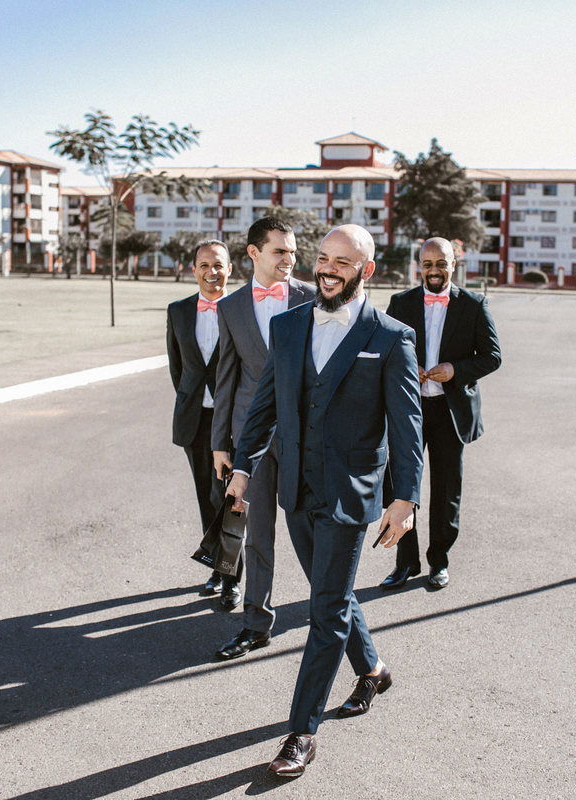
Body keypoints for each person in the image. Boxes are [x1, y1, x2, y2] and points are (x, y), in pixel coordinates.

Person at [226, 224, 423, 778]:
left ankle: (301, 731)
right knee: (330, 594)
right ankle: (375, 670)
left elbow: (408, 427)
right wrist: (243, 468)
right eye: (324, 257)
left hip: (350, 494)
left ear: (368, 270)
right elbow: (264, 408)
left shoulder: (390, 337)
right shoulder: (287, 328)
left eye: (344, 261)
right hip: (296, 490)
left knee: (325, 611)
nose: (329, 268)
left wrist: (406, 497)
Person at [210, 218, 315, 654]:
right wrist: (221, 443)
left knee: (310, 531)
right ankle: (256, 623)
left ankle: (331, 608)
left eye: (292, 252)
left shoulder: (312, 297)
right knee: (257, 536)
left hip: (303, 439)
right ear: (253, 253)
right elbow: (226, 377)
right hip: (251, 442)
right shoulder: (230, 307)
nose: (289, 259)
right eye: (279, 251)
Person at [380, 237, 501, 591]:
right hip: (410, 411)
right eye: (428, 264)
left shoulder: (474, 305)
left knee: (447, 490)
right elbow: (384, 349)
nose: (434, 271)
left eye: (441, 264)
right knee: (403, 487)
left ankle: (439, 562)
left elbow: (492, 356)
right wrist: (407, 367)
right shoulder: (400, 303)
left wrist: (456, 369)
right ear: (419, 265)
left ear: (454, 263)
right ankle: (406, 563)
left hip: (450, 412)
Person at [166, 240, 234, 598]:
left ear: (230, 269)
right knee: (206, 497)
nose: (212, 272)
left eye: (219, 265)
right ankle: (217, 567)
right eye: (204, 265)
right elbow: (178, 371)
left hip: (233, 423)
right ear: (193, 270)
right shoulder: (177, 311)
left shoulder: (242, 309)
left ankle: (231, 575)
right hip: (195, 420)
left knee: (230, 499)